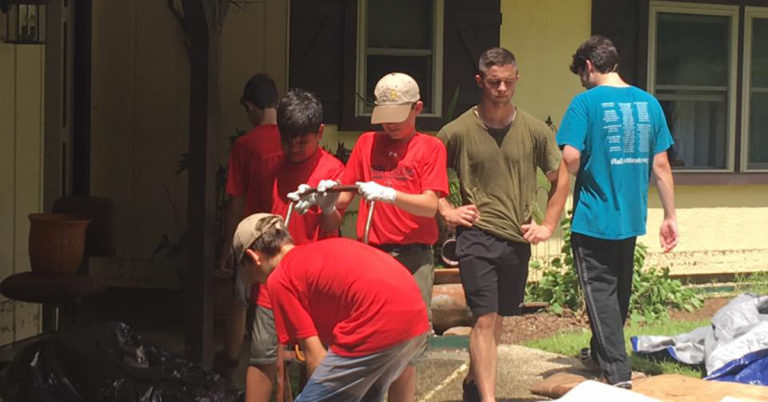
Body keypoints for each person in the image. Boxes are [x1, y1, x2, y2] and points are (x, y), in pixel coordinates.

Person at [298, 72, 448, 402]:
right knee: (369, 338)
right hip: (373, 256)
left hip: (413, 258)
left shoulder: (429, 147)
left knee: (408, 348)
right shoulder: (367, 143)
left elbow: (430, 205)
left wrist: (391, 195)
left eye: (397, 118)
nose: (389, 127)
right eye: (384, 118)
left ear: (417, 108)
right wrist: (323, 205)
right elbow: (338, 212)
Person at [436, 47, 570, 402]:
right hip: (476, 236)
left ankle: (475, 379)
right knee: (484, 317)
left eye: (508, 82)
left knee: (496, 321)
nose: (501, 89)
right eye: (494, 82)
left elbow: (561, 178)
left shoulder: (535, 131)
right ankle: (488, 398)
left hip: (516, 238)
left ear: (516, 80)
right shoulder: (457, 131)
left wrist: (548, 225)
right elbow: (427, 177)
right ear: (480, 81)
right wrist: (447, 210)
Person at [557, 35, 678, 389]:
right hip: (631, 216)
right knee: (618, 293)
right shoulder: (649, 104)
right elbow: (661, 165)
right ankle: (600, 354)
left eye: (581, 73)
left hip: (594, 217)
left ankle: (617, 372)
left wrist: (583, 169)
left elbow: (570, 157)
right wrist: (670, 216)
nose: (582, 80)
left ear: (589, 67)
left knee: (599, 293)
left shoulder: (584, 104)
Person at [233, 213, 429, 402]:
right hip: (415, 316)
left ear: (254, 257)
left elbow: (315, 358)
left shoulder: (280, 278)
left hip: (377, 320)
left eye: (250, 272)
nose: (258, 281)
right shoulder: (318, 254)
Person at [245, 89, 345, 401]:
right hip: (271, 281)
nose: (294, 148)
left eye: (302, 141)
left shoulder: (331, 171)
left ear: (319, 132)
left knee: (315, 358)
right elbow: (254, 224)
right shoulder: (269, 168)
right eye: (287, 140)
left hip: (317, 283)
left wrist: (327, 205)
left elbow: (333, 225)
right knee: (262, 356)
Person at [214, 73, 282, 377]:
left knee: (241, 298)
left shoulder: (245, 145)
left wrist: (226, 247)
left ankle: (229, 360)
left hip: (252, 234)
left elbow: (236, 201)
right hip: (285, 233)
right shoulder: (291, 141)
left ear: (250, 106)